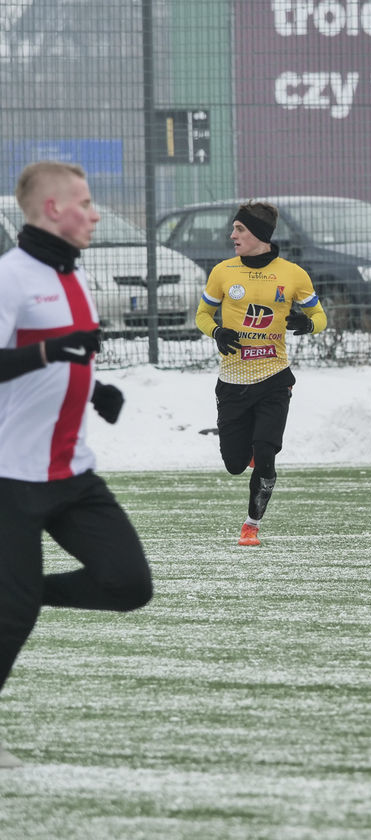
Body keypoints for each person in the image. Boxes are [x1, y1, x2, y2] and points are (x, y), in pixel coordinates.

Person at [0, 161, 153, 768]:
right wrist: (48, 352)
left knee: (128, 586)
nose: (95, 214)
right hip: (10, 478)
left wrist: (96, 389)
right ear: (53, 209)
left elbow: (71, 355)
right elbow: (35, 356)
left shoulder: (76, 275)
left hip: (72, 476)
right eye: (85, 204)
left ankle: (18, 592)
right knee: (11, 614)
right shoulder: (10, 277)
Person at [196, 201, 327, 546]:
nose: (232, 235)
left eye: (239, 229)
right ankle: (253, 451)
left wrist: (307, 323)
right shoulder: (223, 272)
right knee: (234, 464)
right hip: (232, 382)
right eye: (234, 229)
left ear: (259, 234)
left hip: (274, 379)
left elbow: (321, 318)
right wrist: (217, 332)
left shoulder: (293, 274)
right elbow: (202, 316)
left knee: (266, 455)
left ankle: (251, 525)